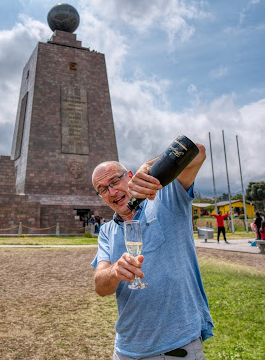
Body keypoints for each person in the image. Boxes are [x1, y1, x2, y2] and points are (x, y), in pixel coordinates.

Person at [91, 143, 213, 359]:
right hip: (126, 350)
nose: (112, 192)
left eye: (115, 181)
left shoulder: (166, 195)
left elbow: (196, 152)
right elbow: (100, 286)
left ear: (129, 176)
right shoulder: (106, 231)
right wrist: (114, 272)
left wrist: (149, 166)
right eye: (103, 189)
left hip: (176, 348)